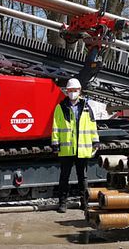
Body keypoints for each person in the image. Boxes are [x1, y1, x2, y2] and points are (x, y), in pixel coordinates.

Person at [51, 78, 99, 213]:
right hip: (66, 149)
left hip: (82, 149)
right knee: (64, 177)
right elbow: (56, 127)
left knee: (82, 178)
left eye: (75, 90)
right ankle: (62, 203)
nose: (72, 93)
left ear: (79, 91)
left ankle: (85, 203)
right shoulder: (60, 108)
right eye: (70, 90)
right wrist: (55, 143)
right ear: (66, 91)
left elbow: (92, 126)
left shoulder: (86, 108)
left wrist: (95, 141)